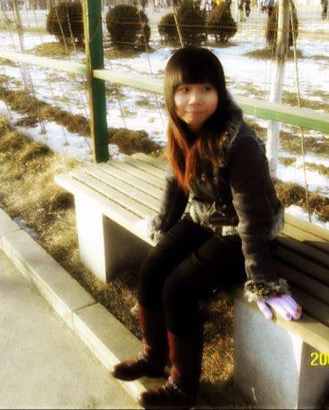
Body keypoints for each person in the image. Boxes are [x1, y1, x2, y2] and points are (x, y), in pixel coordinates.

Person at [111, 47, 302, 408]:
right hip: (205, 217)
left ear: (220, 92)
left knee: (177, 289)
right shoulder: (181, 128)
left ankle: (183, 387)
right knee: (152, 270)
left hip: (244, 235)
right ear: (171, 94)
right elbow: (177, 183)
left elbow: (252, 217)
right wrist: (165, 227)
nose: (194, 100)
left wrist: (262, 278)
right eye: (184, 90)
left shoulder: (239, 142)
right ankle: (153, 355)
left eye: (206, 89)